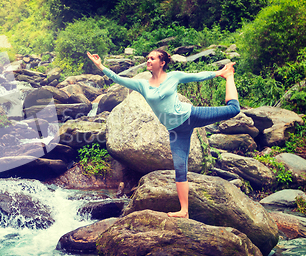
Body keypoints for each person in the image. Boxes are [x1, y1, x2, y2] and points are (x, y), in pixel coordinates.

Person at [87, 49, 240, 219]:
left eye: (152, 58)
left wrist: (220, 73)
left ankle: (229, 77)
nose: (148, 60)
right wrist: (101, 66)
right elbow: (118, 79)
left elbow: (197, 76)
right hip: (175, 132)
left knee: (233, 110)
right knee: (180, 170)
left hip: (191, 116)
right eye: (147, 58)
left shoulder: (174, 76)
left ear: (162, 62)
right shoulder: (143, 85)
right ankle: (184, 211)